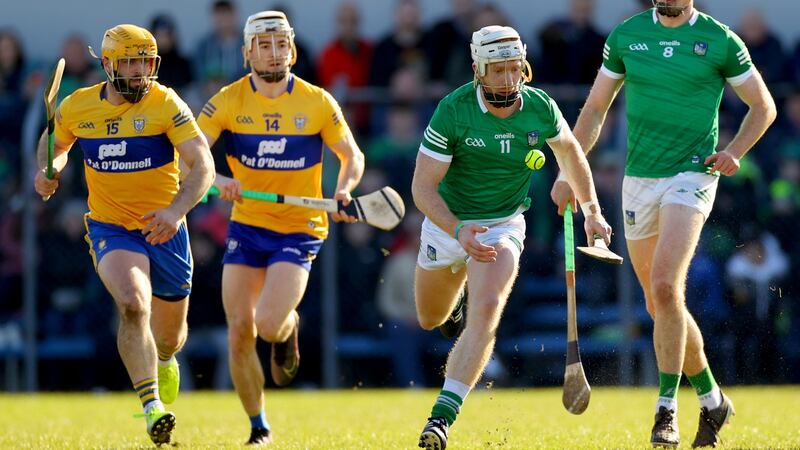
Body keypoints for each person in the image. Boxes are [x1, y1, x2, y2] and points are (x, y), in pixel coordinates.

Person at [550, 1, 777, 447]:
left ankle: (665, 411)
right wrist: (568, 172)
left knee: (666, 286)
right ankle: (713, 401)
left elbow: (762, 106)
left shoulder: (720, 40)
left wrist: (734, 151)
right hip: (638, 181)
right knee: (661, 306)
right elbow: (596, 108)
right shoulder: (625, 36)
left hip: (693, 175)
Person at [413, 25, 612, 450]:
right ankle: (454, 307)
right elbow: (422, 189)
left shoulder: (540, 107)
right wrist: (457, 229)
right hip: (450, 224)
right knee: (430, 318)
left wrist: (592, 210)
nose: (506, 79)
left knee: (487, 310)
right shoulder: (453, 110)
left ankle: (442, 418)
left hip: (502, 224)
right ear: (477, 70)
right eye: (496, 70)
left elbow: (572, 153)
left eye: (513, 68)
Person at [33, 24, 214, 445]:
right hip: (111, 227)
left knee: (171, 336)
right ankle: (152, 408)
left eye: (145, 62)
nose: (138, 71)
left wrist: (175, 211)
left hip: (166, 227)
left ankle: (165, 359)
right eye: (130, 62)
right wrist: (49, 173)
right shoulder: (79, 106)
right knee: (133, 304)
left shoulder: (165, 103)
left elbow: (202, 164)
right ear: (109, 64)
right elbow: (53, 145)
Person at [196, 11, 364, 445]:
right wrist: (216, 182)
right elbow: (190, 155)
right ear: (247, 51)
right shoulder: (227, 101)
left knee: (268, 324)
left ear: (291, 49)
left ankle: (287, 332)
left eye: (280, 44)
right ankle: (258, 426)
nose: (273, 52)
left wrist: (343, 189)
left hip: (300, 227)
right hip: (248, 226)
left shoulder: (317, 101)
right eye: (264, 45)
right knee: (239, 331)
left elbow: (352, 155)